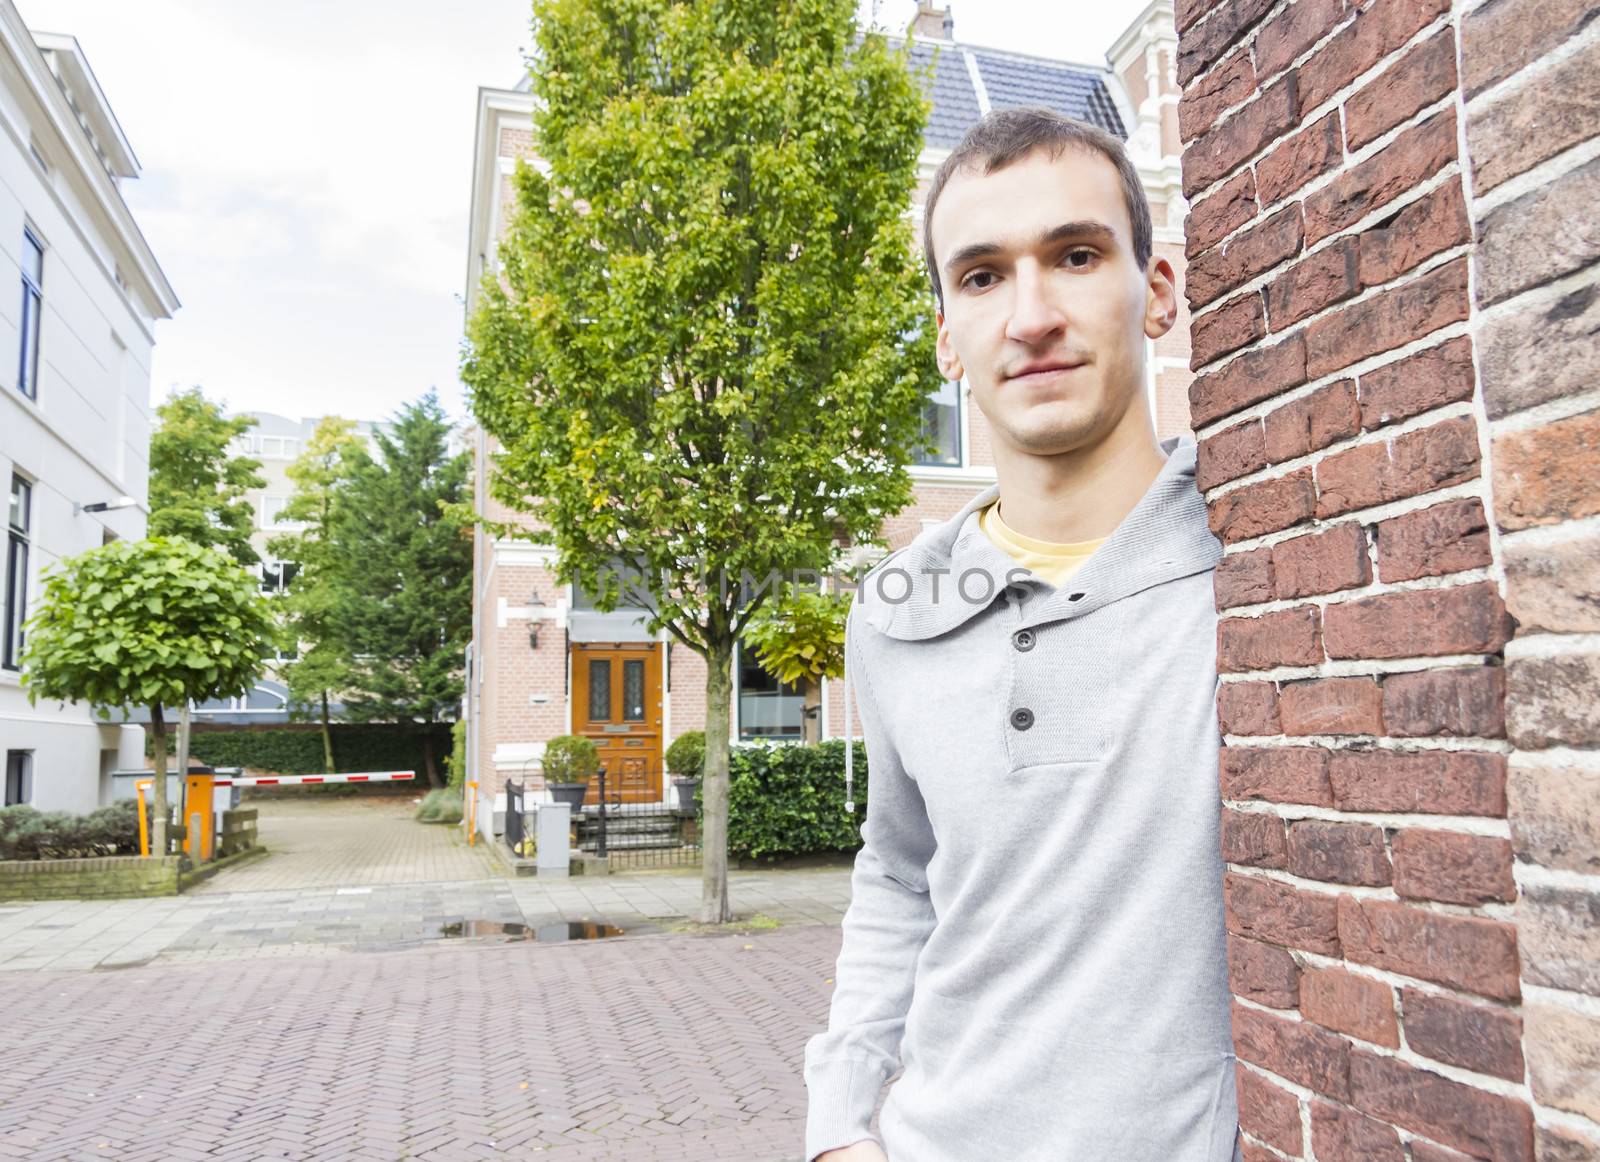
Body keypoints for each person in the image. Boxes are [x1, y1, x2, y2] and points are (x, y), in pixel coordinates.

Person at [803, 108, 1242, 1162]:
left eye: (1077, 255)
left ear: (1160, 290)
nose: (1031, 314)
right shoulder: (894, 608)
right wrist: (836, 1126)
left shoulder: (1260, 564)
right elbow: (899, 871)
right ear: (948, 337)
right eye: (984, 276)